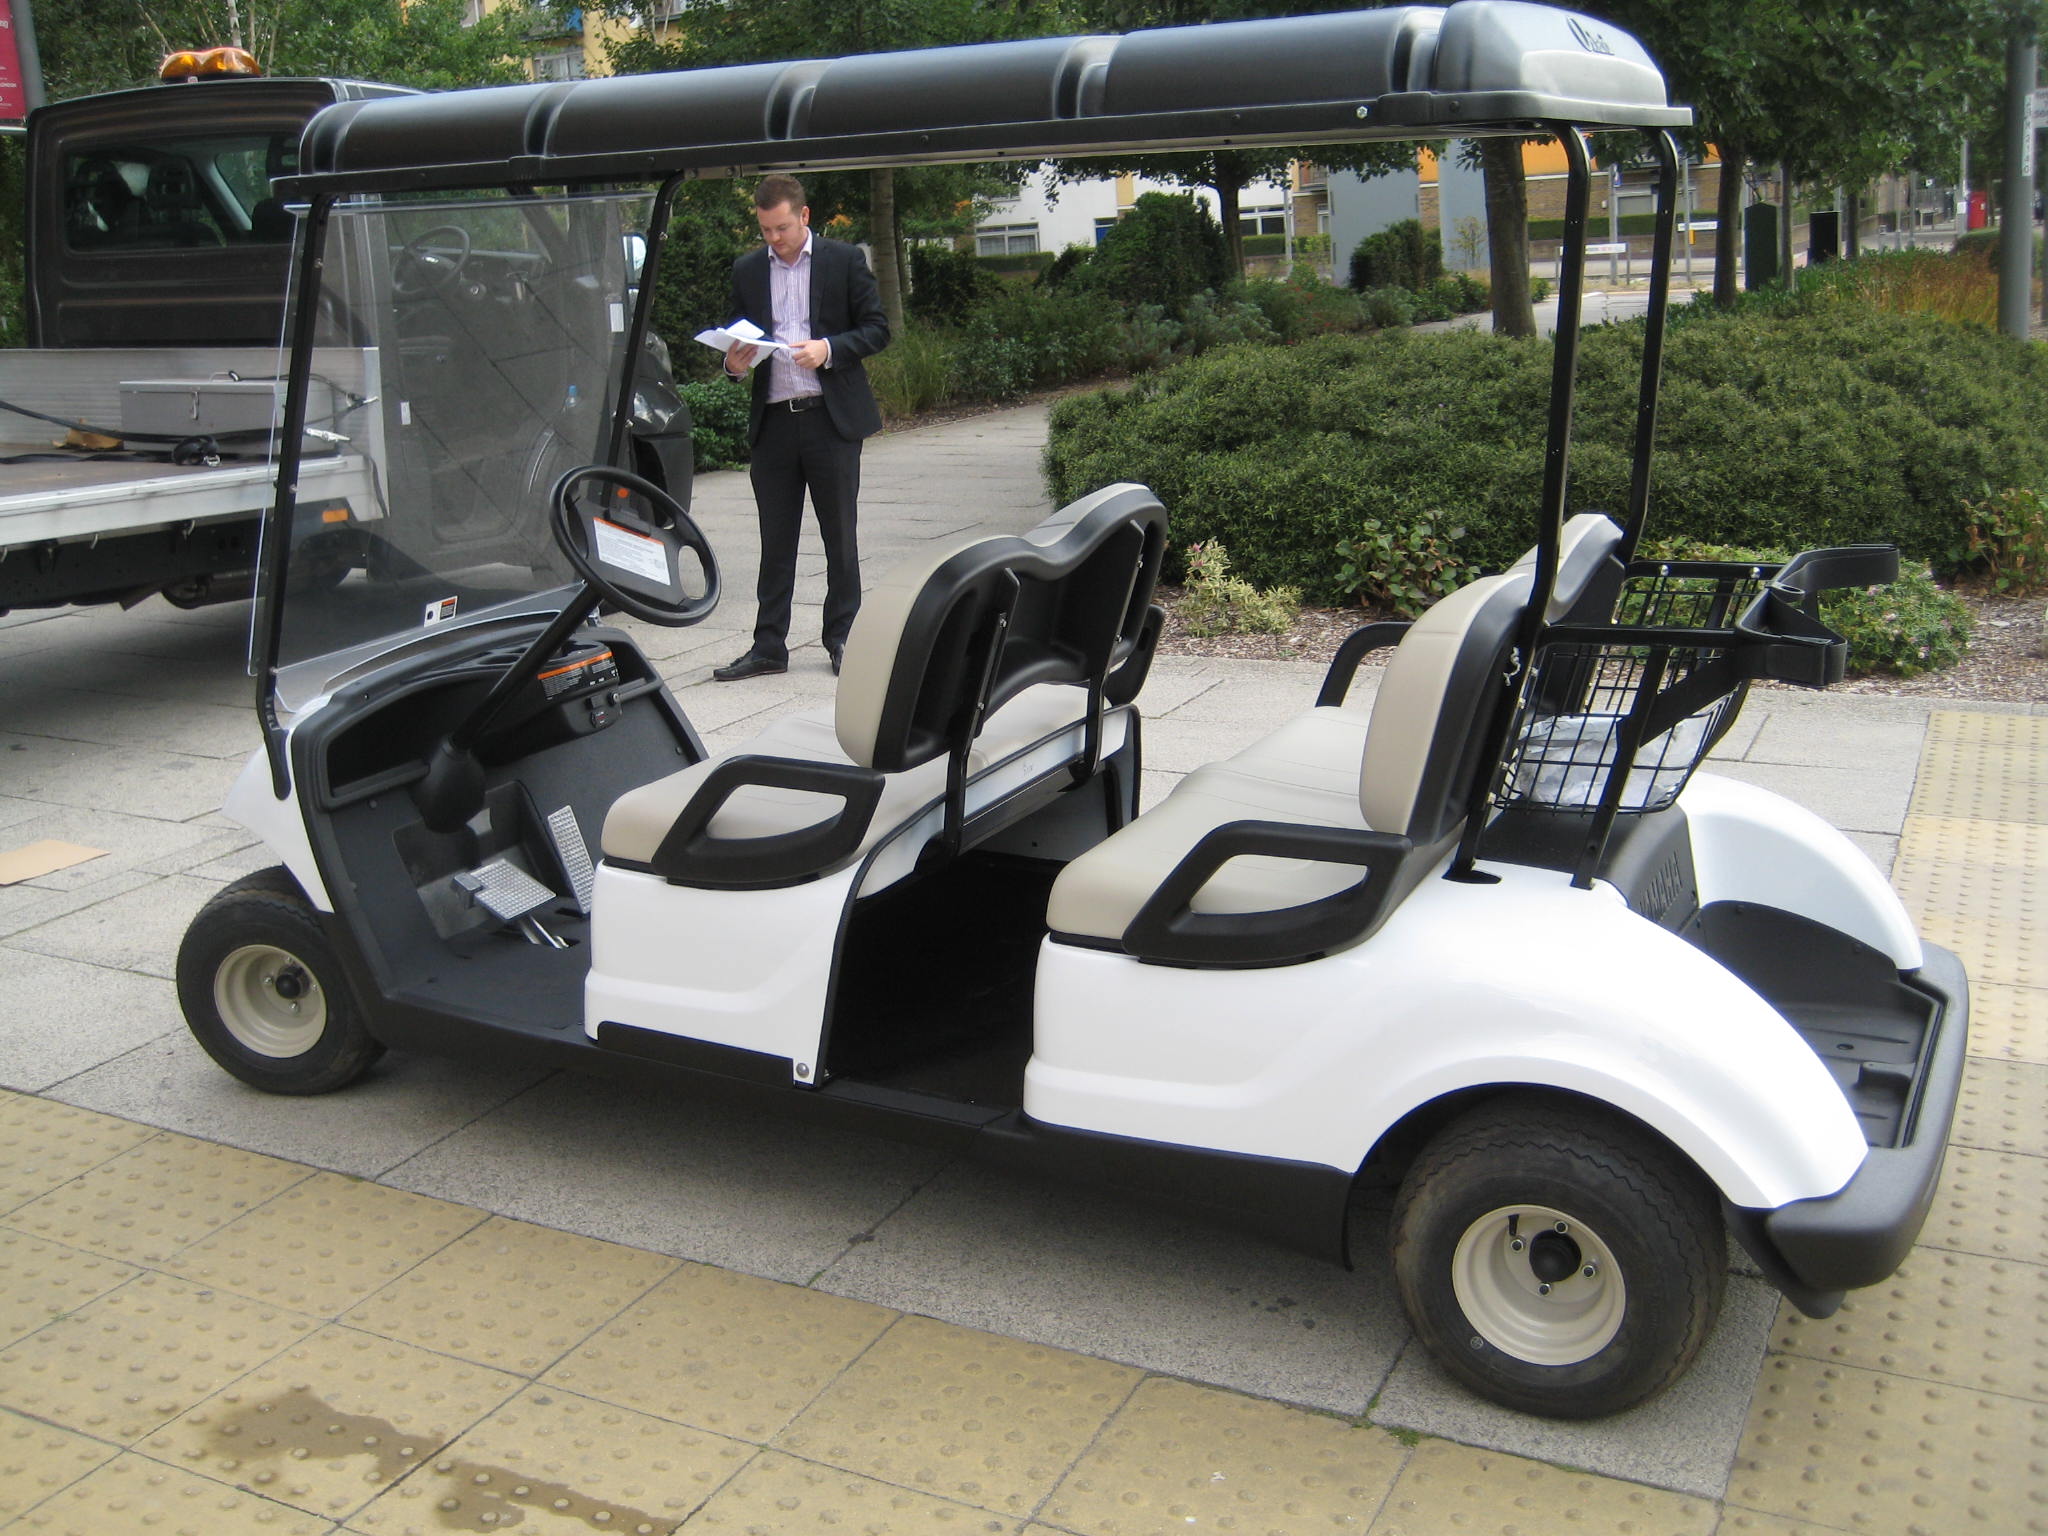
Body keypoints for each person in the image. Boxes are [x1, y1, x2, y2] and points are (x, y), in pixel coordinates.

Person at [713, 175, 890, 681]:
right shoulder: (748, 270)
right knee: (775, 540)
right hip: (773, 422)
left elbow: (877, 328)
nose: (775, 239)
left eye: (783, 228)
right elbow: (738, 338)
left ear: (804, 216)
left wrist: (828, 349)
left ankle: (843, 637)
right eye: (766, 230)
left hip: (829, 420)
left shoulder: (843, 260)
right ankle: (769, 645)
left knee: (840, 536)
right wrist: (734, 365)